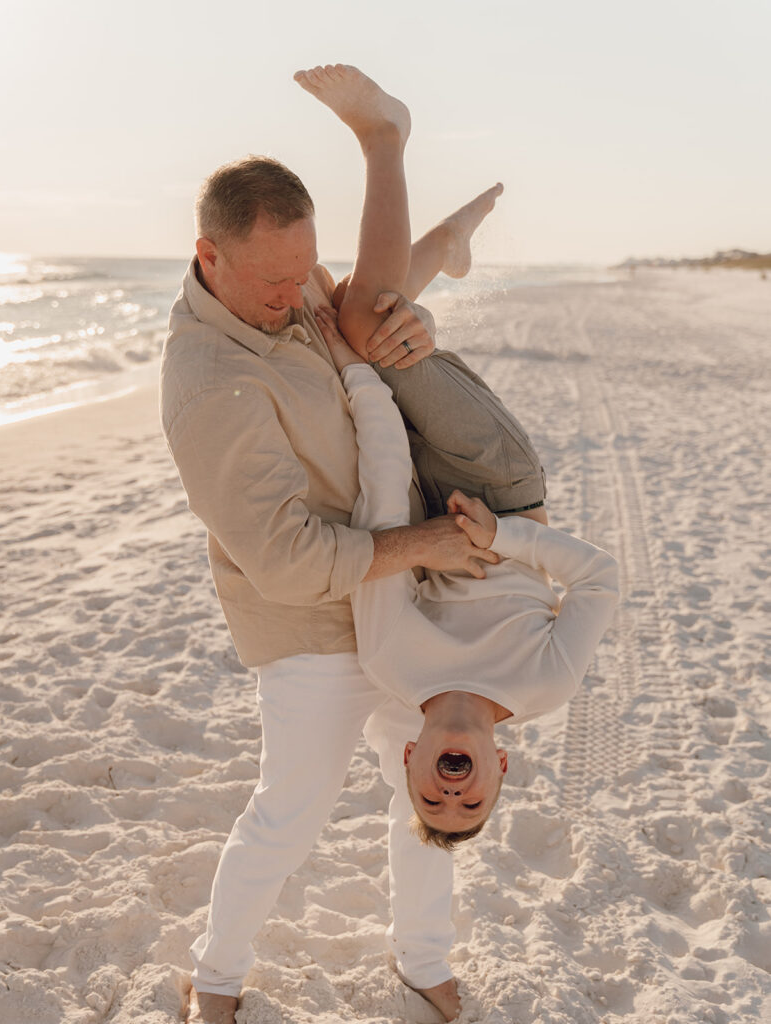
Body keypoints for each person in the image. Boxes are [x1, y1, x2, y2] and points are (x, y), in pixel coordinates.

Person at [161, 66, 512, 1024]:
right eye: (273, 284)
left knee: (429, 786)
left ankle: (422, 960)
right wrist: (431, 540)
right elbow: (286, 558)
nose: (294, 295)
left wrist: (410, 317)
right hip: (312, 624)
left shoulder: (291, 285)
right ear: (209, 257)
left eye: (301, 271)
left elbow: (353, 305)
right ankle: (219, 980)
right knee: (289, 815)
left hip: (396, 601)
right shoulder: (208, 385)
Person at [294, 64, 617, 850]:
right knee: (370, 322)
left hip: (413, 494)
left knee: (335, 324)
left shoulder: (395, 669)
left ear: (409, 758)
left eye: (434, 804)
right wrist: (500, 539)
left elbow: (380, 518)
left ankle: (443, 245)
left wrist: (358, 377)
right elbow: (601, 576)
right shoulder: (546, 684)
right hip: (501, 485)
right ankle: (385, 134)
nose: (454, 796)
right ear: (501, 772)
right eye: (473, 807)